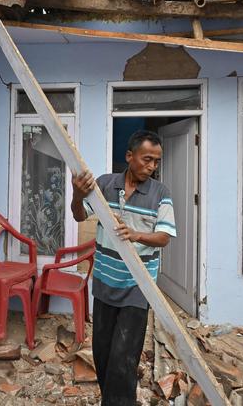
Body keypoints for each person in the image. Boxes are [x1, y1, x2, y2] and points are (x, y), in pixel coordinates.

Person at [71, 130, 176, 406]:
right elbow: (79, 215)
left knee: (124, 359)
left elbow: (164, 237)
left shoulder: (160, 193)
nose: (152, 166)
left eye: (156, 161)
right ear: (130, 156)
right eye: (147, 159)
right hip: (105, 284)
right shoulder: (105, 185)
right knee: (103, 355)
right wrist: (76, 194)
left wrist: (136, 235)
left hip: (137, 287)